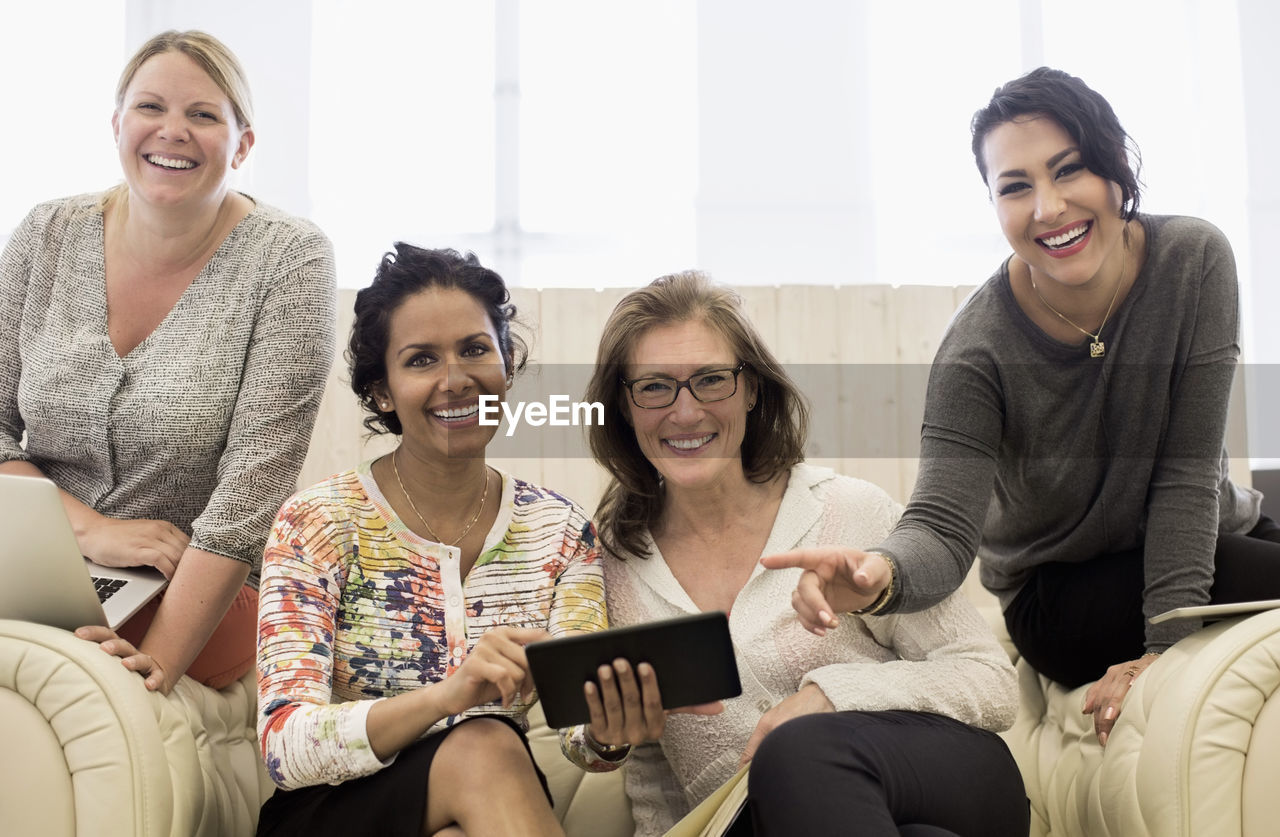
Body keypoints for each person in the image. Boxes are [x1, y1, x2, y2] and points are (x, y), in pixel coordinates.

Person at [764, 66, 1280, 746]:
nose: (1048, 207)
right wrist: (877, 575)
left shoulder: (1194, 260)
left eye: (1069, 170)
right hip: (1065, 596)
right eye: (1015, 187)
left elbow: (1185, 478)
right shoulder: (976, 350)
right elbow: (943, 529)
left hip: (1202, 538)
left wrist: (1163, 645)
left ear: (1117, 170)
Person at [580, 271, 1027, 837]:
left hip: (946, 780)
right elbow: (652, 773)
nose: (685, 411)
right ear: (622, 406)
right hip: (762, 824)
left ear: (752, 389)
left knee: (799, 749)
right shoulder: (611, 569)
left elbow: (990, 682)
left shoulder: (847, 511)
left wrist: (830, 696)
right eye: (653, 387)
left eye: (712, 380)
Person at [0, 30, 335, 692]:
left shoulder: (289, 259)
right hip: (42, 554)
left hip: (196, 581)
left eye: (204, 115)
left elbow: (250, 494)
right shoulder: (46, 233)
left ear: (242, 143)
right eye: (151, 107)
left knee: (71, 675)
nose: (172, 131)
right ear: (118, 124)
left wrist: (155, 663)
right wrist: (90, 531)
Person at [255, 244, 627, 837]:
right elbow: (284, 744)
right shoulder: (318, 521)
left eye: (475, 350)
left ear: (505, 365)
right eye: (422, 359)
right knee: (483, 738)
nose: (455, 380)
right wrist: (447, 698)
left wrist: (610, 731)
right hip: (333, 812)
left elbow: (582, 740)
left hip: (489, 804)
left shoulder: (558, 531)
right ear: (383, 391)